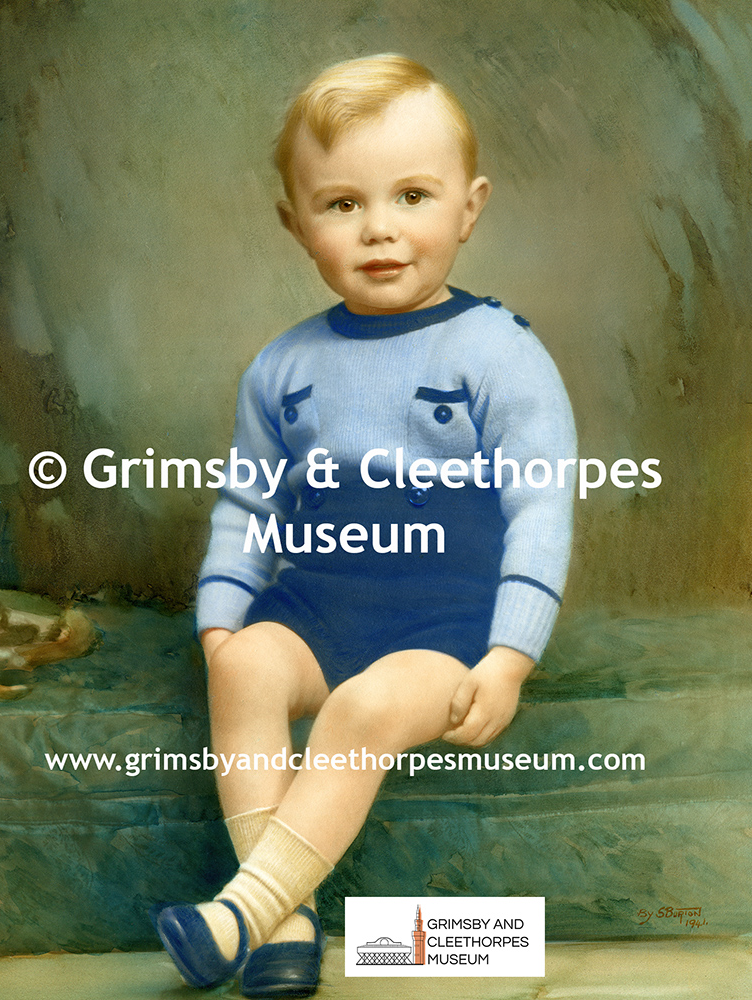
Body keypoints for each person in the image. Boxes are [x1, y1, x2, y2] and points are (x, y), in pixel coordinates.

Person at [154, 53, 576, 996]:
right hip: (318, 603)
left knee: (363, 708)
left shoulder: (497, 352)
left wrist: (508, 655)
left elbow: (540, 506)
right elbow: (247, 502)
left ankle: (239, 916)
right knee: (247, 664)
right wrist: (223, 622)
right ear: (295, 223)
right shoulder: (282, 364)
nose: (380, 228)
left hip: (446, 627)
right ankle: (283, 923)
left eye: (413, 196)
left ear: (469, 209)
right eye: (342, 203)